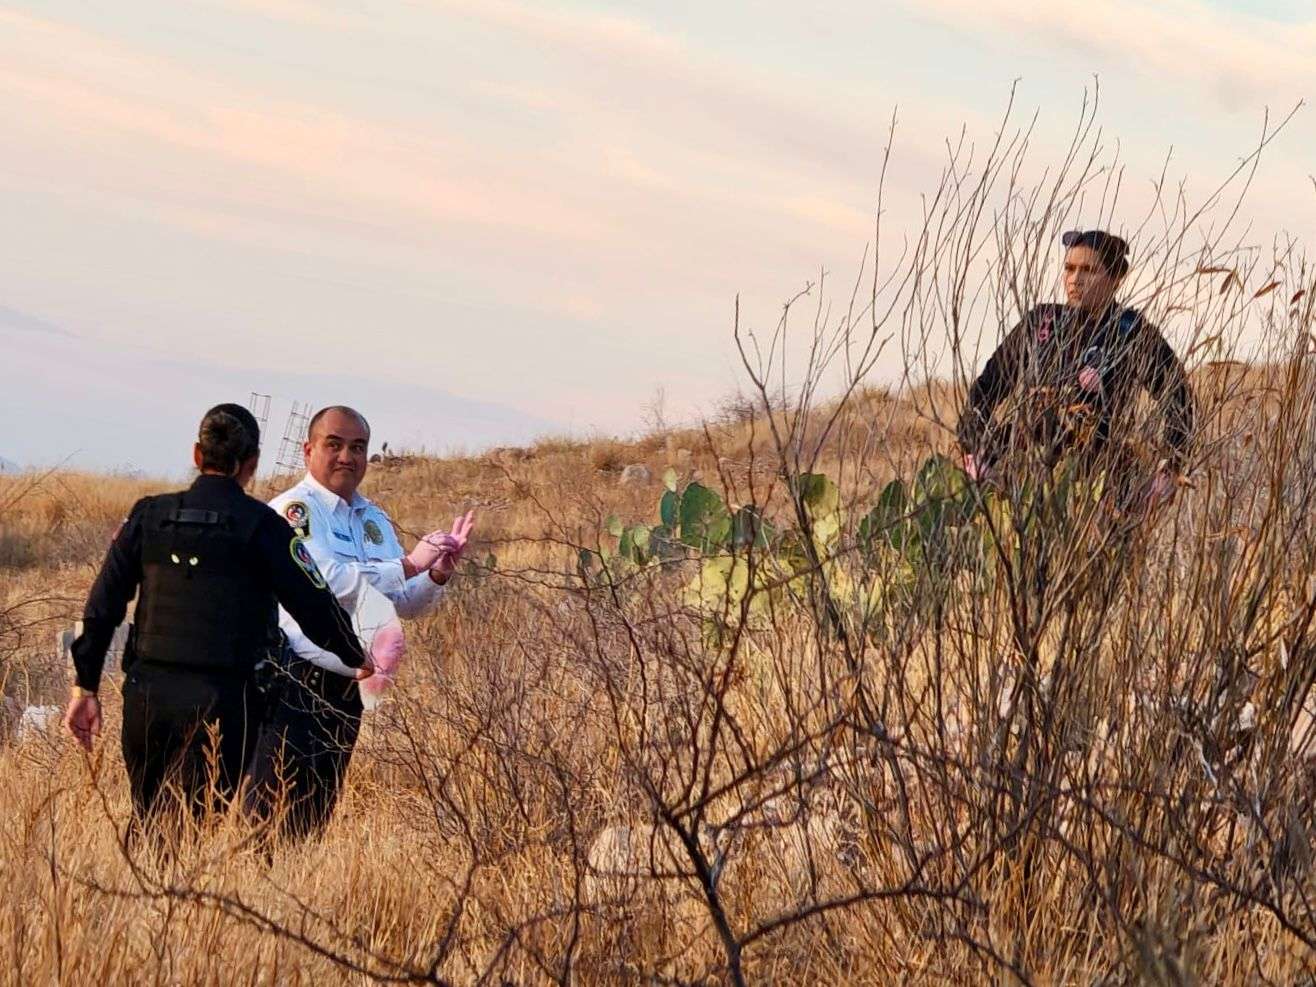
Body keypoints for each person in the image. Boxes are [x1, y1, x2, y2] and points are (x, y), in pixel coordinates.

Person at [62, 404, 374, 837]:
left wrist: (85, 686)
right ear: (252, 463)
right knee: (198, 824)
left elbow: (102, 607)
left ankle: (145, 879)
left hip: (148, 697)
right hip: (225, 701)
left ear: (197, 454)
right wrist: (356, 655)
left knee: (150, 819)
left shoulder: (148, 515)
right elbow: (314, 604)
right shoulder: (263, 527)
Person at [243, 405, 474, 840]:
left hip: (349, 686)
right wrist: (408, 564)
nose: (347, 457)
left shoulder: (374, 519)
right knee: (269, 814)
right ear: (308, 450)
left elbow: (404, 602)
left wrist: (436, 574)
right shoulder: (294, 510)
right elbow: (324, 580)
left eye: (358, 447)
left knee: (315, 816)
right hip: (293, 680)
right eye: (334, 445)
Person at [957, 229, 1195, 515]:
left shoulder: (1130, 332)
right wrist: (979, 453)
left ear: (1116, 278)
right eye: (1069, 268)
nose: (1075, 279)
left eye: (1089, 270)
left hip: (1098, 484)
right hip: (1023, 479)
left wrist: (1166, 475)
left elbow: (1180, 402)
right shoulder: (1042, 323)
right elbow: (986, 388)